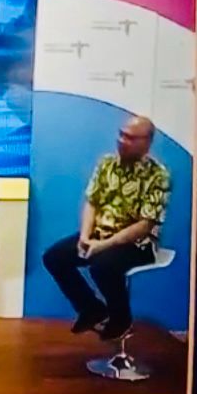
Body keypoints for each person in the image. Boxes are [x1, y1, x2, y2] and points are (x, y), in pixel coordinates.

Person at [42, 116, 171, 341]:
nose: (122, 141)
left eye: (130, 138)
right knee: (54, 257)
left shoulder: (158, 175)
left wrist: (103, 246)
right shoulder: (106, 164)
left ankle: (121, 319)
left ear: (147, 142)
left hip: (137, 244)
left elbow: (144, 225)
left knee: (102, 267)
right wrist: (84, 237)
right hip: (99, 234)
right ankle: (91, 309)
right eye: (121, 134)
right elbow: (92, 202)